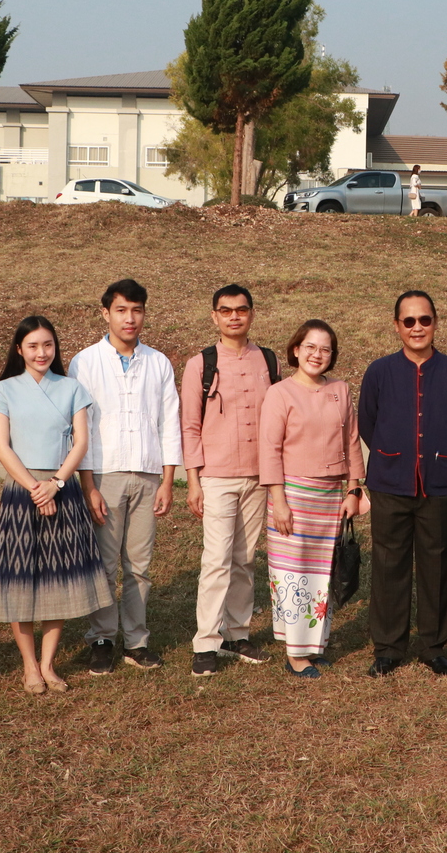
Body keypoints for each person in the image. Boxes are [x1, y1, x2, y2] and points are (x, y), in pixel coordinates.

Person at [0, 316, 113, 694]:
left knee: (59, 574)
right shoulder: (5, 390)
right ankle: (29, 665)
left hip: (63, 488)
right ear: (19, 350)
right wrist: (34, 488)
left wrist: (56, 484)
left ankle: (48, 663)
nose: (41, 353)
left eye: (48, 345)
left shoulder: (72, 388)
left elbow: (80, 443)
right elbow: (1, 446)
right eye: (33, 346)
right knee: (20, 575)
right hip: (20, 491)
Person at [358, 290, 447, 677]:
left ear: (435, 323)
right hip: (390, 480)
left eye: (424, 320)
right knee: (389, 563)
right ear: (397, 326)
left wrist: (439, 456)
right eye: (408, 321)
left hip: (438, 482)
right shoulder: (379, 371)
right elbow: (368, 424)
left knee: (438, 563)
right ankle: (389, 648)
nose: (417, 327)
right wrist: (395, 455)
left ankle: (433, 646)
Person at [69, 279, 182, 675]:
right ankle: (101, 638)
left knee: (139, 564)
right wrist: (89, 485)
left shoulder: (158, 362)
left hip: (148, 474)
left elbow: (170, 422)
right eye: (121, 310)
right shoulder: (84, 362)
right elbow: (79, 428)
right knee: (103, 562)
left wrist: (168, 480)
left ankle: (136, 640)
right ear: (105, 313)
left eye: (136, 310)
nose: (129, 318)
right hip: (104, 474)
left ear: (144, 313)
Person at [180, 284, 281, 677]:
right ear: (214, 317)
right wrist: (193, 481)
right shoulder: (199, 364)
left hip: (259, 476)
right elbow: (190, 426)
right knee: (216, 559)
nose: (234, 317)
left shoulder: (268, 360)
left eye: (241, 310)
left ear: (252, 313)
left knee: (245, 558)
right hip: (217, 476)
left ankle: (238, 633)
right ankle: (207, 641)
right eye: (226, 311)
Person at [259, 320, 368, 678]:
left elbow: (352, 441)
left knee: (322, 574)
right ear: (295, 349)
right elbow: (270, 449)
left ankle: (314, 645)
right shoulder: (280, 393)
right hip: (293, 494)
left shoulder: (340, 389)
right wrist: (279, 499)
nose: (317, 355)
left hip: (331, 495)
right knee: (294, 573)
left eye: (325, 349)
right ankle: (295, 652)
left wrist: (354, 488)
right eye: (310, 347)